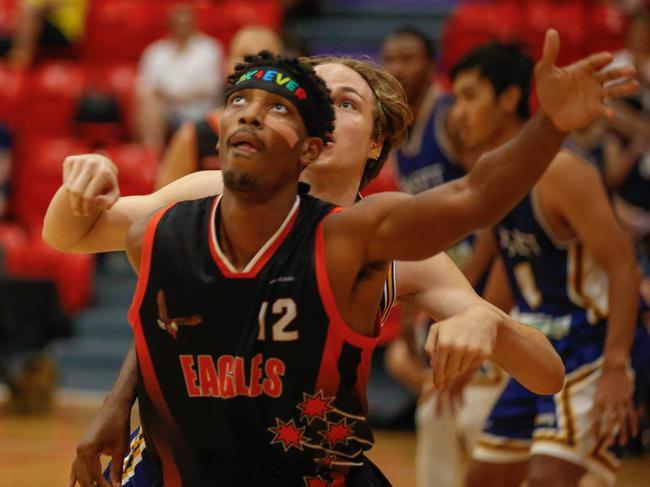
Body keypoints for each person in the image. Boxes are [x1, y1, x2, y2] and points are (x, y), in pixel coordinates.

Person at [42, 33, 638, 485]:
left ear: (377, 141)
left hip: (311, 468)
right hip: (188, 461)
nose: (324, 112)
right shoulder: (211, 195)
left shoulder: (386, 239)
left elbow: (546, 373)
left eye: (346, 104)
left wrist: (490, 320)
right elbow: (90, 249)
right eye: (311, 100)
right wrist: (79, 187)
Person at [437, 42, 648, 487]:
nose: (458, 112)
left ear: (509, 99)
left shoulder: (560, 171)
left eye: (470, 96)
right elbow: (509, 268)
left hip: (591, 344)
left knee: (549, 479)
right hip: (540, 343)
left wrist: (616, 366)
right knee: (482, 480)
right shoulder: (494, 174)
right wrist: (477, 352)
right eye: (455, 98)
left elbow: (624, 266)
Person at [380, 26, 510, 487]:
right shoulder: (397, 131)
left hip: (487, 279)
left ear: (430, 63)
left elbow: (496, 204)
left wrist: (467, 284)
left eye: (409, 57)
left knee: (470, 413)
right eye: (390, 58)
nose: (397, 67)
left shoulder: (452, 118)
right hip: (448, 279)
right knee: (436, 409)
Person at [154, 25, 285, 189]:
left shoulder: (291, 135)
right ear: (226, 65)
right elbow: (162, 207)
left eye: (266, 58)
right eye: (246, 57)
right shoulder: (192, 135)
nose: (255, 67)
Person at [136, 3, 224, 152]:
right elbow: (145, 88)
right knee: (147, 104)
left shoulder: (209, 49)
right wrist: (171, 96)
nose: (182, 27)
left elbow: (212, 87)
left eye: (185, 23)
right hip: (167, 112)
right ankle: (151, 156)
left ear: (194, 23)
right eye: (178, 23)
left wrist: (176, 95)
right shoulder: (155, 52)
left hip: (200, 111)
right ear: (170, 25)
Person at [0, 0, 88, 68]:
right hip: (43, 29)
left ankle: (21, 57)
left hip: (63, 31)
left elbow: (53, 5)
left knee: (31, 7)